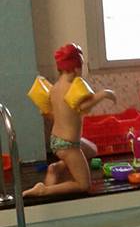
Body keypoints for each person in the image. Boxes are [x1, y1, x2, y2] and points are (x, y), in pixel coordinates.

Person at [23, 43, 116, 198]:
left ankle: (56, 168)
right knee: (84, 184)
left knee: (91, 149)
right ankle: (43, 190)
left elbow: (52, 114)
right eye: (81, 66)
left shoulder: (54, 88)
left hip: (56, 140)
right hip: (68, 145)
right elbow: (84, 106)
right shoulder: (72, 88)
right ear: (75, 68)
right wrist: (104, 94)